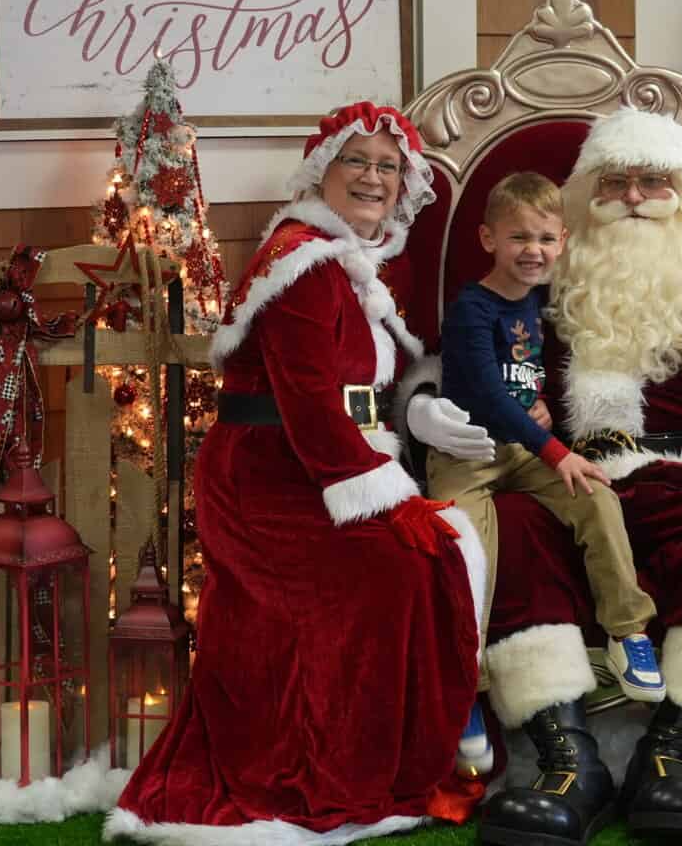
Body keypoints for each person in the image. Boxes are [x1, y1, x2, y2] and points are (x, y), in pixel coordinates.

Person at [410, 109, 682, 846]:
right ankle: (567, 759)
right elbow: (462, 357)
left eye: (653, 181)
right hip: (561, 473)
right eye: (615, 182)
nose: (633, 197)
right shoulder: (546, 281)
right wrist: (422, 407)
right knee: (509, 523)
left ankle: (672, 751)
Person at [108, 102, 490, 845]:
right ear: (323, 172)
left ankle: (412, 744)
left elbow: (366, 387)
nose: (374, 178)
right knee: (403, 560)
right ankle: (343, 760)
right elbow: (311, 399)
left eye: (388, 166)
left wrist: (413, 417)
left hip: (319, 466)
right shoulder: (304, 260)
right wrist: (387, 500)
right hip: (271, 477)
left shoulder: (357, 260)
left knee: (428, 553)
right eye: (358, 162)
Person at [431, 172, 663, 775]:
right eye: (518, 238)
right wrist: (556, 448)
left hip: (522, 449)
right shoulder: (471, 309)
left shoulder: (535, 303)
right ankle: (464, 686)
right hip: (467, 454)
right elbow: (485, 392)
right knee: (462, 548)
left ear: (562, 241)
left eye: (544, 238)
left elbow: (522, 381)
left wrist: (540, 413)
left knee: (597, 498)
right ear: (488, 239)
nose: (532, 250)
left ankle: (628, 631)